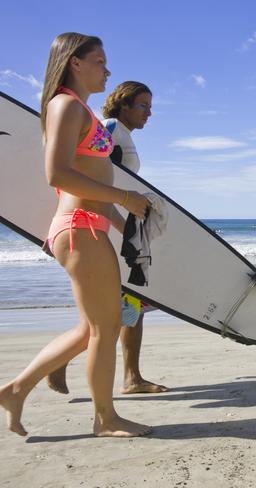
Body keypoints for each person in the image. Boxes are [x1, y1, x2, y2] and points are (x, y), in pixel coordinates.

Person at [0, 33, 151, 437]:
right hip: (80, 228)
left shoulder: (77, 108)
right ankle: (106, 419)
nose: (108, 69)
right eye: (100, 61)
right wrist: (125, 195)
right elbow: (59, 174)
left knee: (90, 330)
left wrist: (125, 221)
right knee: (104, 329)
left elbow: (86, 178)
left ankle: (16, 390)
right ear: (75, 63)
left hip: (89, 225)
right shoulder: (66, 105)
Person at [46, 81, 168, 395]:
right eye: (143, 105)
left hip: (114, 226)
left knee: (130, 307)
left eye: (150, 107)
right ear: (124, 105)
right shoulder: (110, 128)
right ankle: (118, 376)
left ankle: (130, 376)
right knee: (120, 310)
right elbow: (84, 173)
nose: (149, 113)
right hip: (103, 227)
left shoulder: (122, 134)